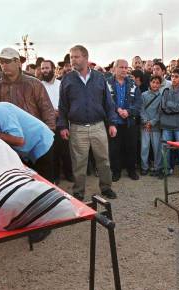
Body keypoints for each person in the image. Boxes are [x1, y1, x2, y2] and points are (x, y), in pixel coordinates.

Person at [56, 45, 118, 201]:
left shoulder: (99, 78)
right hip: (77, 128)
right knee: (79, 163)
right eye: (71, 57)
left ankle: (106, 188)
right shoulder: (67, 79)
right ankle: (78, 191)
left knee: (103, 161)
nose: (73, 60)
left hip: (98, 127)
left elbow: (108, 103)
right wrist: (63, 126)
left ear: (85, 57)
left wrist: (112, 123)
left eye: (76, 57)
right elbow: (62, 105)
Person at [0, 47, 56, 132]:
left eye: (7, 61)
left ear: (18, 62)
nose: (4, 65)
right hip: (8, 135)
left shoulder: (35, 84)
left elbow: (47, 110)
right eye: (1, 62)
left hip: (34, 133)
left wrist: (49, 132)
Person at [107, 59, 142, 181]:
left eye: (126, 67)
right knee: (114, 149)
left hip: (129, 122)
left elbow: (138, 103)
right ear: (114, 68)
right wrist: (117, 110)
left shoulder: (133, 84)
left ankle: (131, 171)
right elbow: (104, 102)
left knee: (131, 147)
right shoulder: (107, 84)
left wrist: (128, 111)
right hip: (114, 123)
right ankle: (116, 172)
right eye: (121, 67)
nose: (124, 70)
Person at [41, 59, 73, 184]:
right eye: (42, 68)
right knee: (51, 150)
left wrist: (60, 111)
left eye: (47, 68)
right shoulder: (39, 85)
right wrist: (49, 112)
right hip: (46, 122)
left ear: (53, 69)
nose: (44, 71)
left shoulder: (61, 84)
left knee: (65, 149)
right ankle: (55, 177)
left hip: (62, 120)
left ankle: (69, 174)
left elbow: (68, 101)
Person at [159, 68, 179, 181]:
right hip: (167, 125)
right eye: (172, 76)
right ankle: (166, 170)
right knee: (165, 149)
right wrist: (173, 107)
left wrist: (170, 105)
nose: (173, 79)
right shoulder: (166, 90)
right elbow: (163, 106)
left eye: (176, 77)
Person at [140, 75, 163, 177]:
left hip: (156, 126)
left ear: (160, 84)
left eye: (157, 83)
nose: (155, 84)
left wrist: (152, 122)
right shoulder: (143, 95)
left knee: (157, 148)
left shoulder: (162, 96)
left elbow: (160, 112)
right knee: (144, 147)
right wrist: (146, 122)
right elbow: (141, 109)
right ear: (150, 83)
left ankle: (158, 167)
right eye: (153, 82)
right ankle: (144, 167)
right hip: (145, 126)